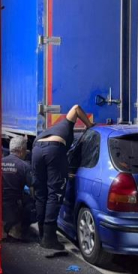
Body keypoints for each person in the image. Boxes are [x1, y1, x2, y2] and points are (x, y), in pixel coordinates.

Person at [32, 105, 94, 251]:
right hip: (54, 148)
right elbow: (76, 108)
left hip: (36, 149)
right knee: (55, 193)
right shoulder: (67, 123)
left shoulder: (54, 128)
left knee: (41, 193)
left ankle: (42, 234)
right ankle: (49, 239)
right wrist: (89, 125)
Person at [1, 136, 34, 240]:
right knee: (33, 204)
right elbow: (32, 188)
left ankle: (3, 228)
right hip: (14, 206)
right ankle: (17, 229)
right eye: (25, 151)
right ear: (21, 150)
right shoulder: (24, 166)